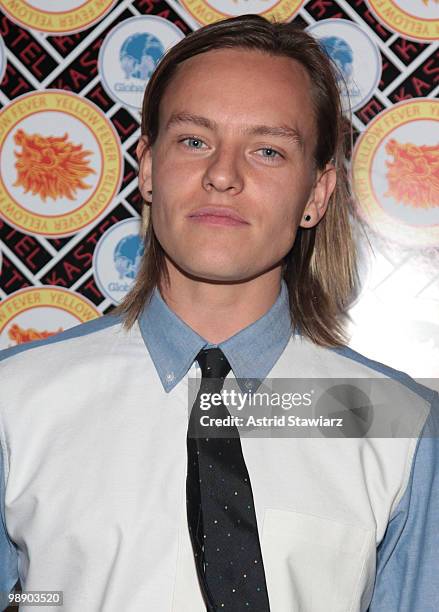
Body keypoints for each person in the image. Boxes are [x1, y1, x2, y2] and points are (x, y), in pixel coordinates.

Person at [0, 13, 438, 612]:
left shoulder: (397, 421)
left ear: (317, 193)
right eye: (194, 140)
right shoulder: (15, 399)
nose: (223, 175)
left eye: (268, 150)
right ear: (149, 168)